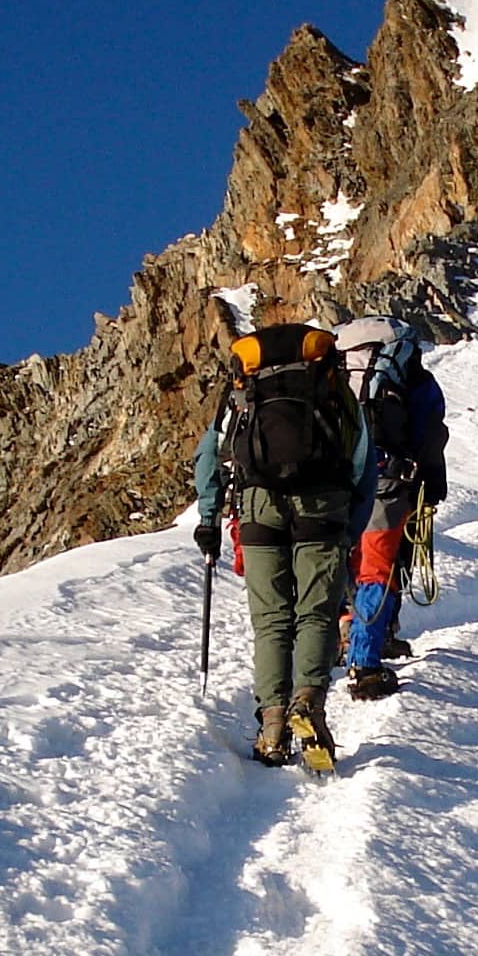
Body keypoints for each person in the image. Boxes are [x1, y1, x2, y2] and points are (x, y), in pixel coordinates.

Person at [194, 322, 373, 769]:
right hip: (323, 504)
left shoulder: (244, 390)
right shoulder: (331, 389)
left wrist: (209, 518)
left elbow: (209, 455)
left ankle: (272, 725)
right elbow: (361, 458)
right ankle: (308, 704)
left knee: (271, 619)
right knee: (316, 612)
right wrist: (349, 526)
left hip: (257, 506)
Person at [333, 316, 449, 699]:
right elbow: (430, 431)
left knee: (347, 560)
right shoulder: (409, 374)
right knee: (379, 568)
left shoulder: (335, 369)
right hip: (389, 479)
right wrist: (433, 484)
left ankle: (349, 633)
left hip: (336, 480)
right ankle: (365, 663)